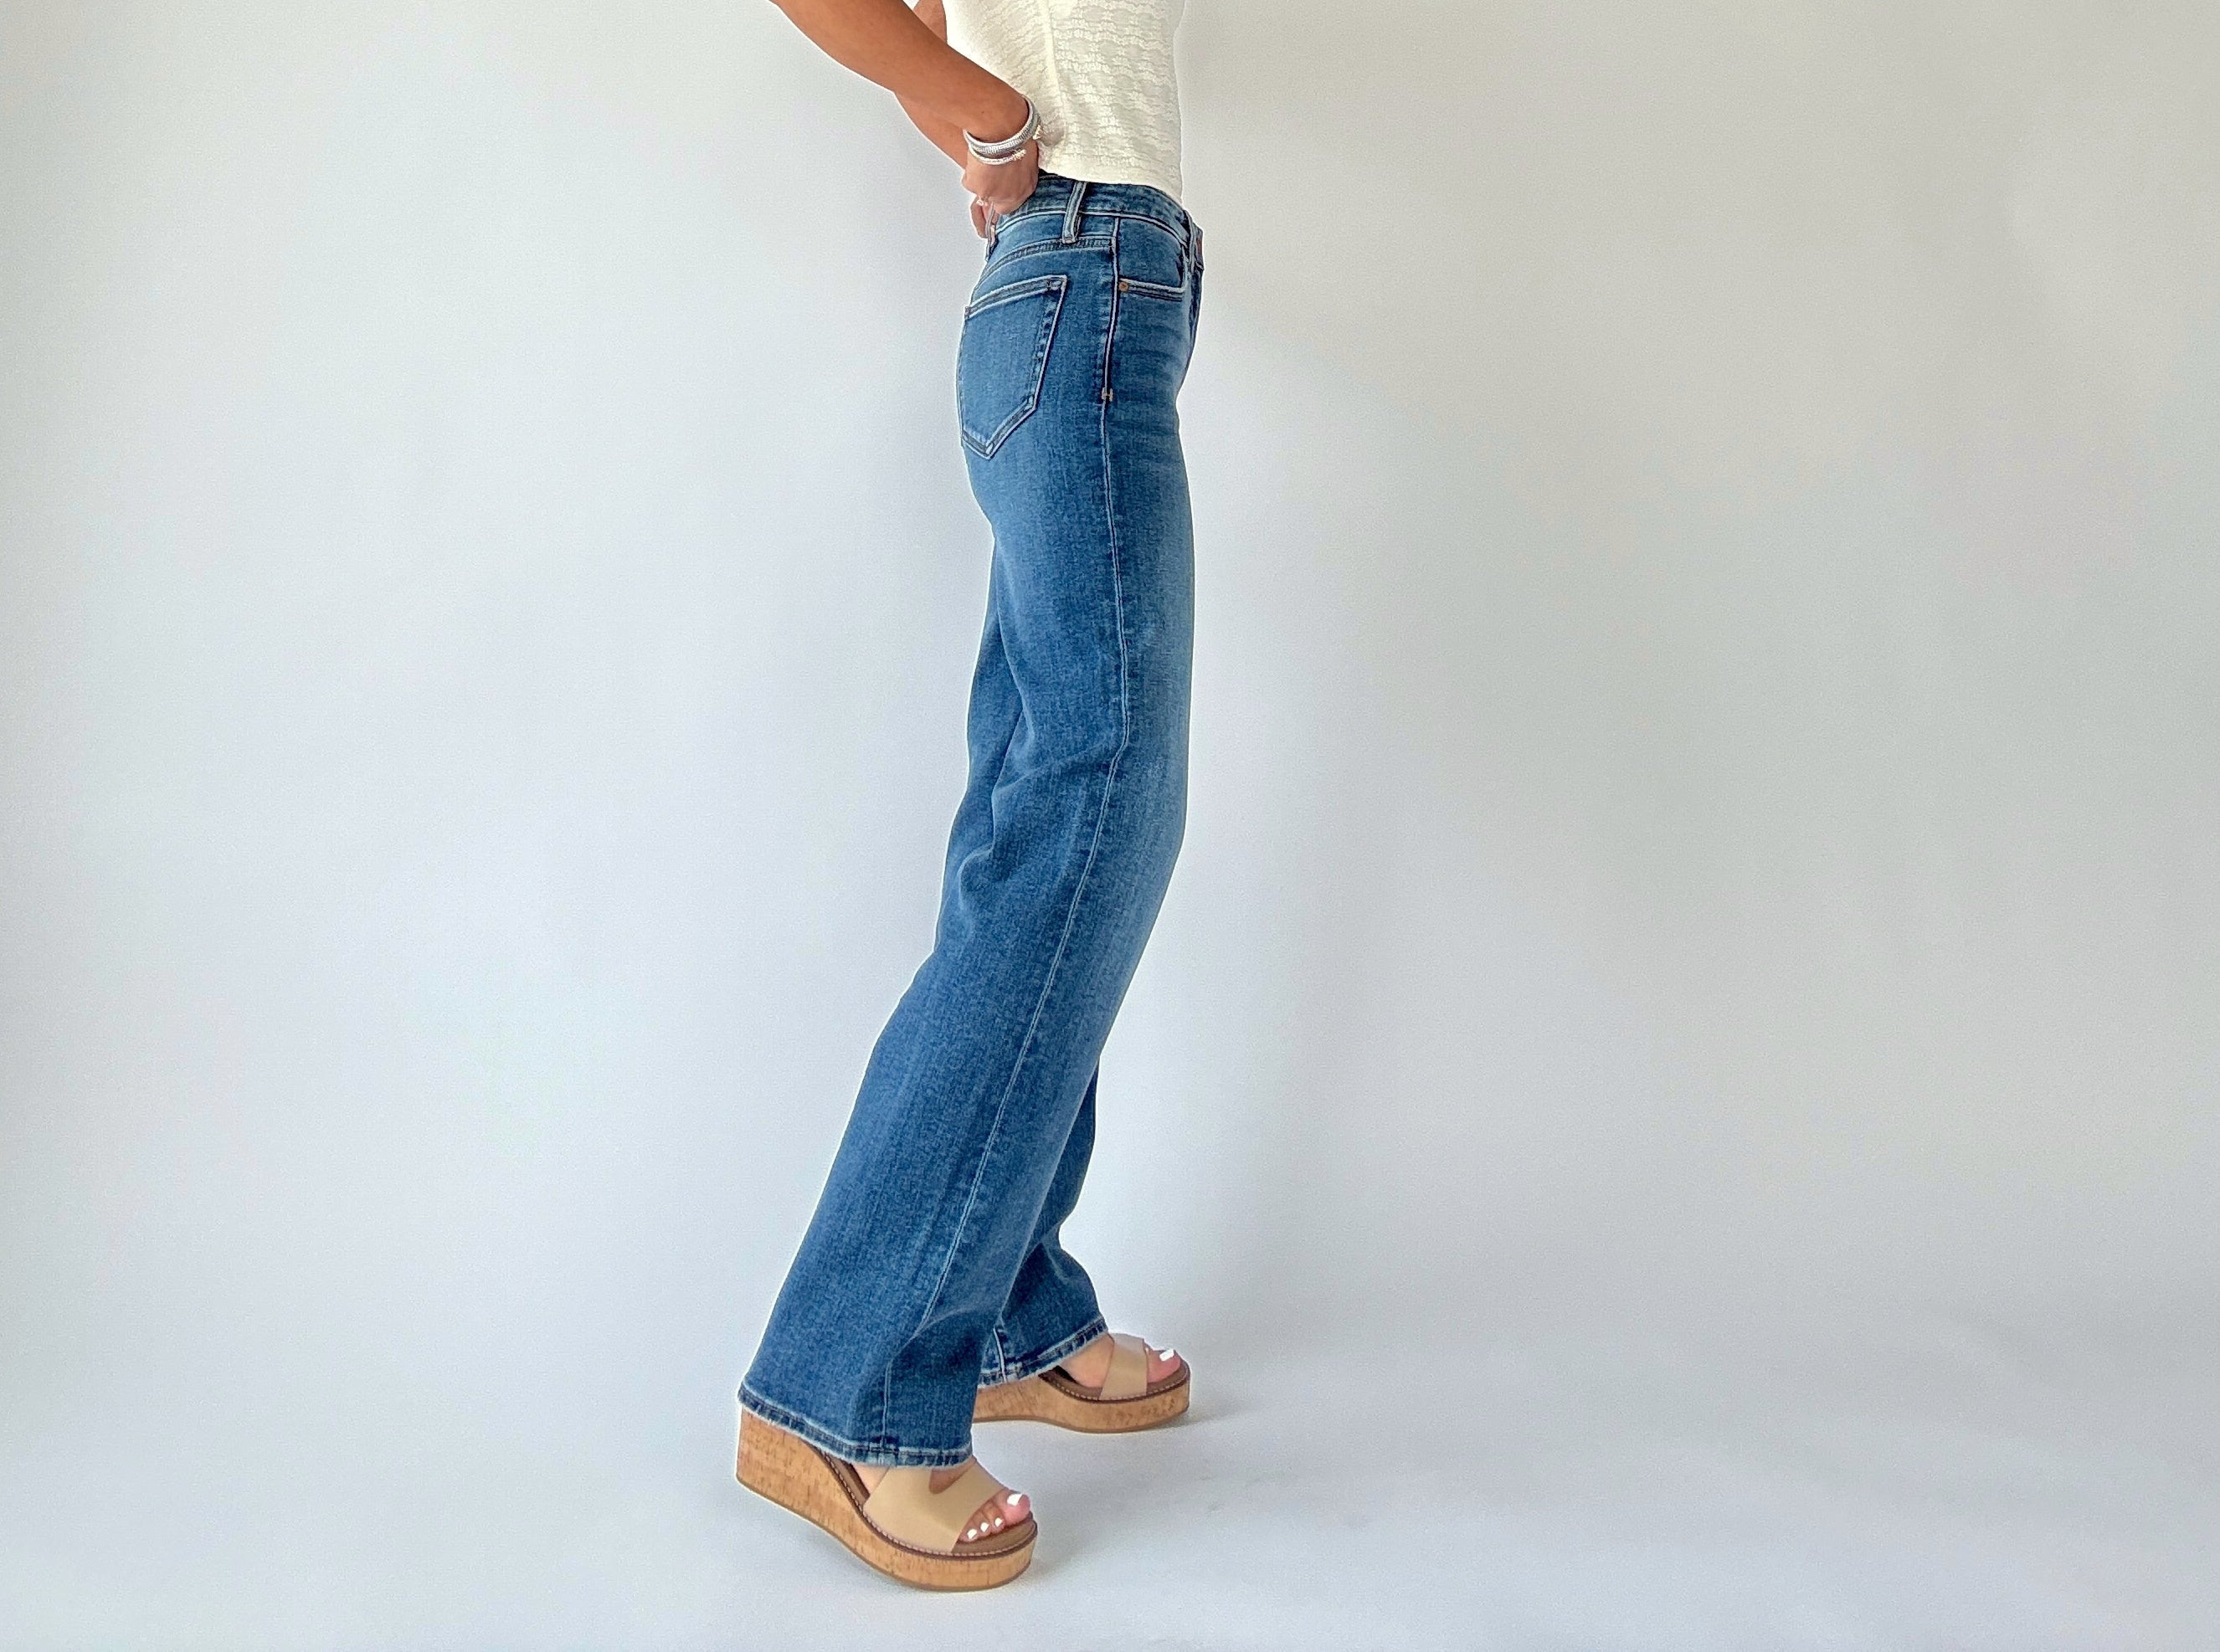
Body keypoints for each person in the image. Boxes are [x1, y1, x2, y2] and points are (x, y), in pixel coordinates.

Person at [733, 0, 1204, 1592]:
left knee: (1040, 810)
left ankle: (1005, 1306)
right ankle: (853, 1384)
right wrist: (990, 122)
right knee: (1094, 804)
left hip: (1087, 284)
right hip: (1085, 272)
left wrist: (980, 120)